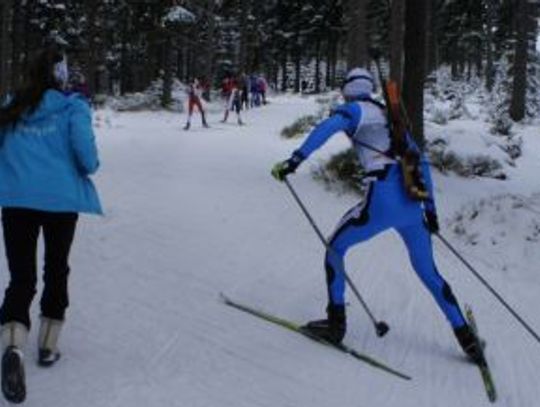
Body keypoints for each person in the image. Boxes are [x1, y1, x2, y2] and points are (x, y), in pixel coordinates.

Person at [271, 67, 482, 363]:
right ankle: (468, 340)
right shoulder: (391, 118)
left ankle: (335, 325)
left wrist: (294, 161)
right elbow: (418, 164)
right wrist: (430, 212)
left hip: (381, 202)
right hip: (412, 207)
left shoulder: (355, 110)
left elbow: (326, 129)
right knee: (429, 273)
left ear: (348, 88)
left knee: (335, 248)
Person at [0, 46, 102, 403]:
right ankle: (46, 345)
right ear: (60, 75)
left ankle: (12, 346)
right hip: (60, 201)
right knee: (56, 268)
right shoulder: (73, 107)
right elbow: (87, 160)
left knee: (21, 276)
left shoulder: (11, 105)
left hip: (15, 200)